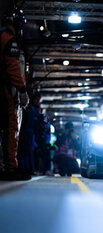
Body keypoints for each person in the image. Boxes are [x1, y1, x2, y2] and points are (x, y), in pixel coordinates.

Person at [0, 7, 30, 180]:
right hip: (4, 90)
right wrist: (22, 91)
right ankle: (10, 168)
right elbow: (12, 69)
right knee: (10, 128)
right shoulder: (9, 40)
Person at [18, 92, 41, 174]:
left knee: (29, 150)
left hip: (31, 132)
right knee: (26, 150)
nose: (38, 101)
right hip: (27, 131)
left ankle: (28, 168)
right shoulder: (30, 109)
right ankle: (25, 168)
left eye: (39, 100)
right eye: (37, 99)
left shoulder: (35, 109)